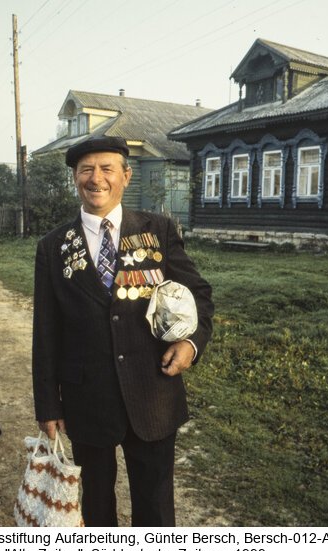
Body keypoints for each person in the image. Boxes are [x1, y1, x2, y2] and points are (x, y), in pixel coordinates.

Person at [32, 136, 214, 527]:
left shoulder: (159, 231)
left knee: (155, 503)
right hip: (87, 397)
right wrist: (48, 404)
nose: (96, 178)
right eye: (85, 170)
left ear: (126, 176)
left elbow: (197, 294)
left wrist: (190, 344)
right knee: (96, 504)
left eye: (106, 169)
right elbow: (45, 330)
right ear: (75, 180)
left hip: (153, 391)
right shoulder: (52, 247)